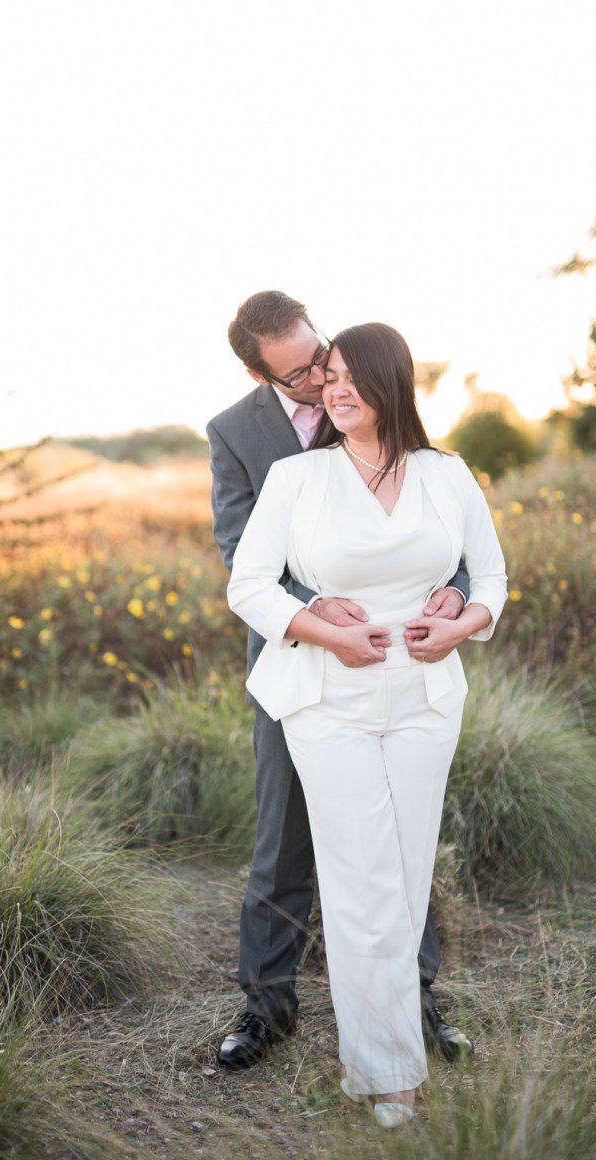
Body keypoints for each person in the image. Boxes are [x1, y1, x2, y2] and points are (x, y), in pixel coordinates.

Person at [226, 320, 507, 1126]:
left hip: (423, 701)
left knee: (406, 875)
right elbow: (249, 586)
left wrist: (463, 621)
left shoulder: (445, 475)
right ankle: (387, 1073)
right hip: (328, 699)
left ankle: (388, 1049)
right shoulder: (295, 478)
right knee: (359, 882)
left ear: (391, 385)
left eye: (352, 376)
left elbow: (488, 572)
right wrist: (323, 625)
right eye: (330, 376)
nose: (335, 388)